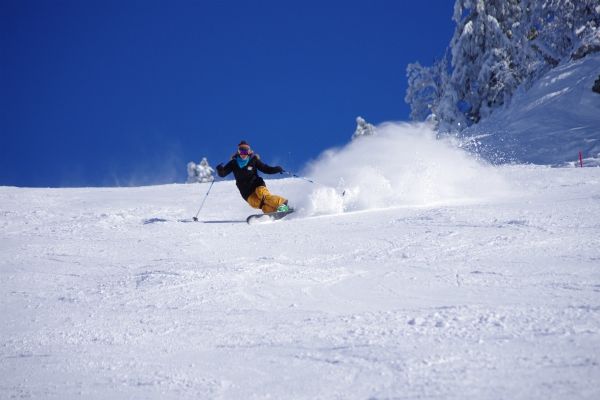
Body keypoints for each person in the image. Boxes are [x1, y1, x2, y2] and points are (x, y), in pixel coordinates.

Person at [216, 141, 290, 214]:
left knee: (262, 195)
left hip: (256, 185)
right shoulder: (233, 163)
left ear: (249, 152)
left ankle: (283, 205)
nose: (243, 154)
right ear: (238, 152)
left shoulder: (253, 160)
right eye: (241, 151)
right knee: (257, 203)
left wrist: (276, 169)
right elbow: (223, 174)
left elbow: (265, 169)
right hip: (246, 191)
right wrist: (220, 169)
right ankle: (273, 212)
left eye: (245, 152)